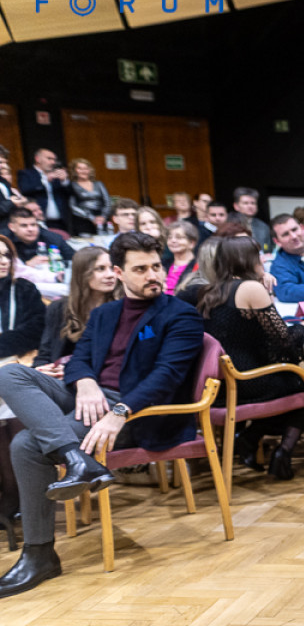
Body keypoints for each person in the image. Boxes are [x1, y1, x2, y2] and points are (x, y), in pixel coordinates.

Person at [0, 231, 203, 598]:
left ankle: (40, 554)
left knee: (26, 444)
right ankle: (77, 460)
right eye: (140, 269)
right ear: (119, 273)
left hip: (136, 411)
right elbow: (80, 359)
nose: (152, 275)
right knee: (9, 373)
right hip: (88, 399)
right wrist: (86, 383)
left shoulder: (180, 314)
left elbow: (167, 376)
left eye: (156, 266)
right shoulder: (105, 313)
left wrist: (120, 411)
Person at [198, 236, 304, 481]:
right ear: (248, 259)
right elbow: (285, 340)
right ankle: (281, 452)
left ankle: (250, 437)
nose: (262, 261)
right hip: (248, 379)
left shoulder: (211, 289)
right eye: (258, 256)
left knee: (295, 382)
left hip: (222, 382)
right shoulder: (249, 289)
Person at [36, 247, 119, 367]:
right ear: (82, 273)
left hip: (96, 374)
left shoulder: (122, 307)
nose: (110, 275)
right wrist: (43, 368)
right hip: (59, 372)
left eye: (112, 268)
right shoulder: (59, 308)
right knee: (13, 370)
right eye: (101, 269)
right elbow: (45, 353)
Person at [0, 235, 45, 359]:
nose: (5, 261)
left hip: (14, 359)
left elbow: (35, 330)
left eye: (7, 255)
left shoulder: (24, 288)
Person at [17, 149, 71, 235]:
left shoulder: (57, 175)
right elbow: (25, 190)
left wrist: (64, 181)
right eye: (49, 159)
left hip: (61, 222)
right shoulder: (26, 173)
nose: (53, 162)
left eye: (54, 160)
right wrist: (45, 181)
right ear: (37, 159)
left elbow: (69, 195)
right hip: (38, 221)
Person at [3, 207, 73, 266]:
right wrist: (26, 266)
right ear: (12, 227)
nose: (30, 229)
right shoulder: (3, 241)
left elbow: (73, 260)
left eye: (33, 225)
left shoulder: (52, 238)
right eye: (24, 226)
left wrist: (56, 262)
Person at [67, 159, 110, 233]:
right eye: (80, 168)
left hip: (102, 218)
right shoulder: (72, 185)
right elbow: (72, 206)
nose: (83, 171)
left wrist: (103, 216)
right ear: (74, 170)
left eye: (86, 168)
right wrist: (91, 218)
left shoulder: (99, 184)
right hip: (83, 219)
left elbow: (107, 201)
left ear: (90, 170)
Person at [164, 221, 200, 295]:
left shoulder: (198, 266)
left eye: (179, 237)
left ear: (191, 243)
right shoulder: (163, 263)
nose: (173, 240)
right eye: (170, 237)